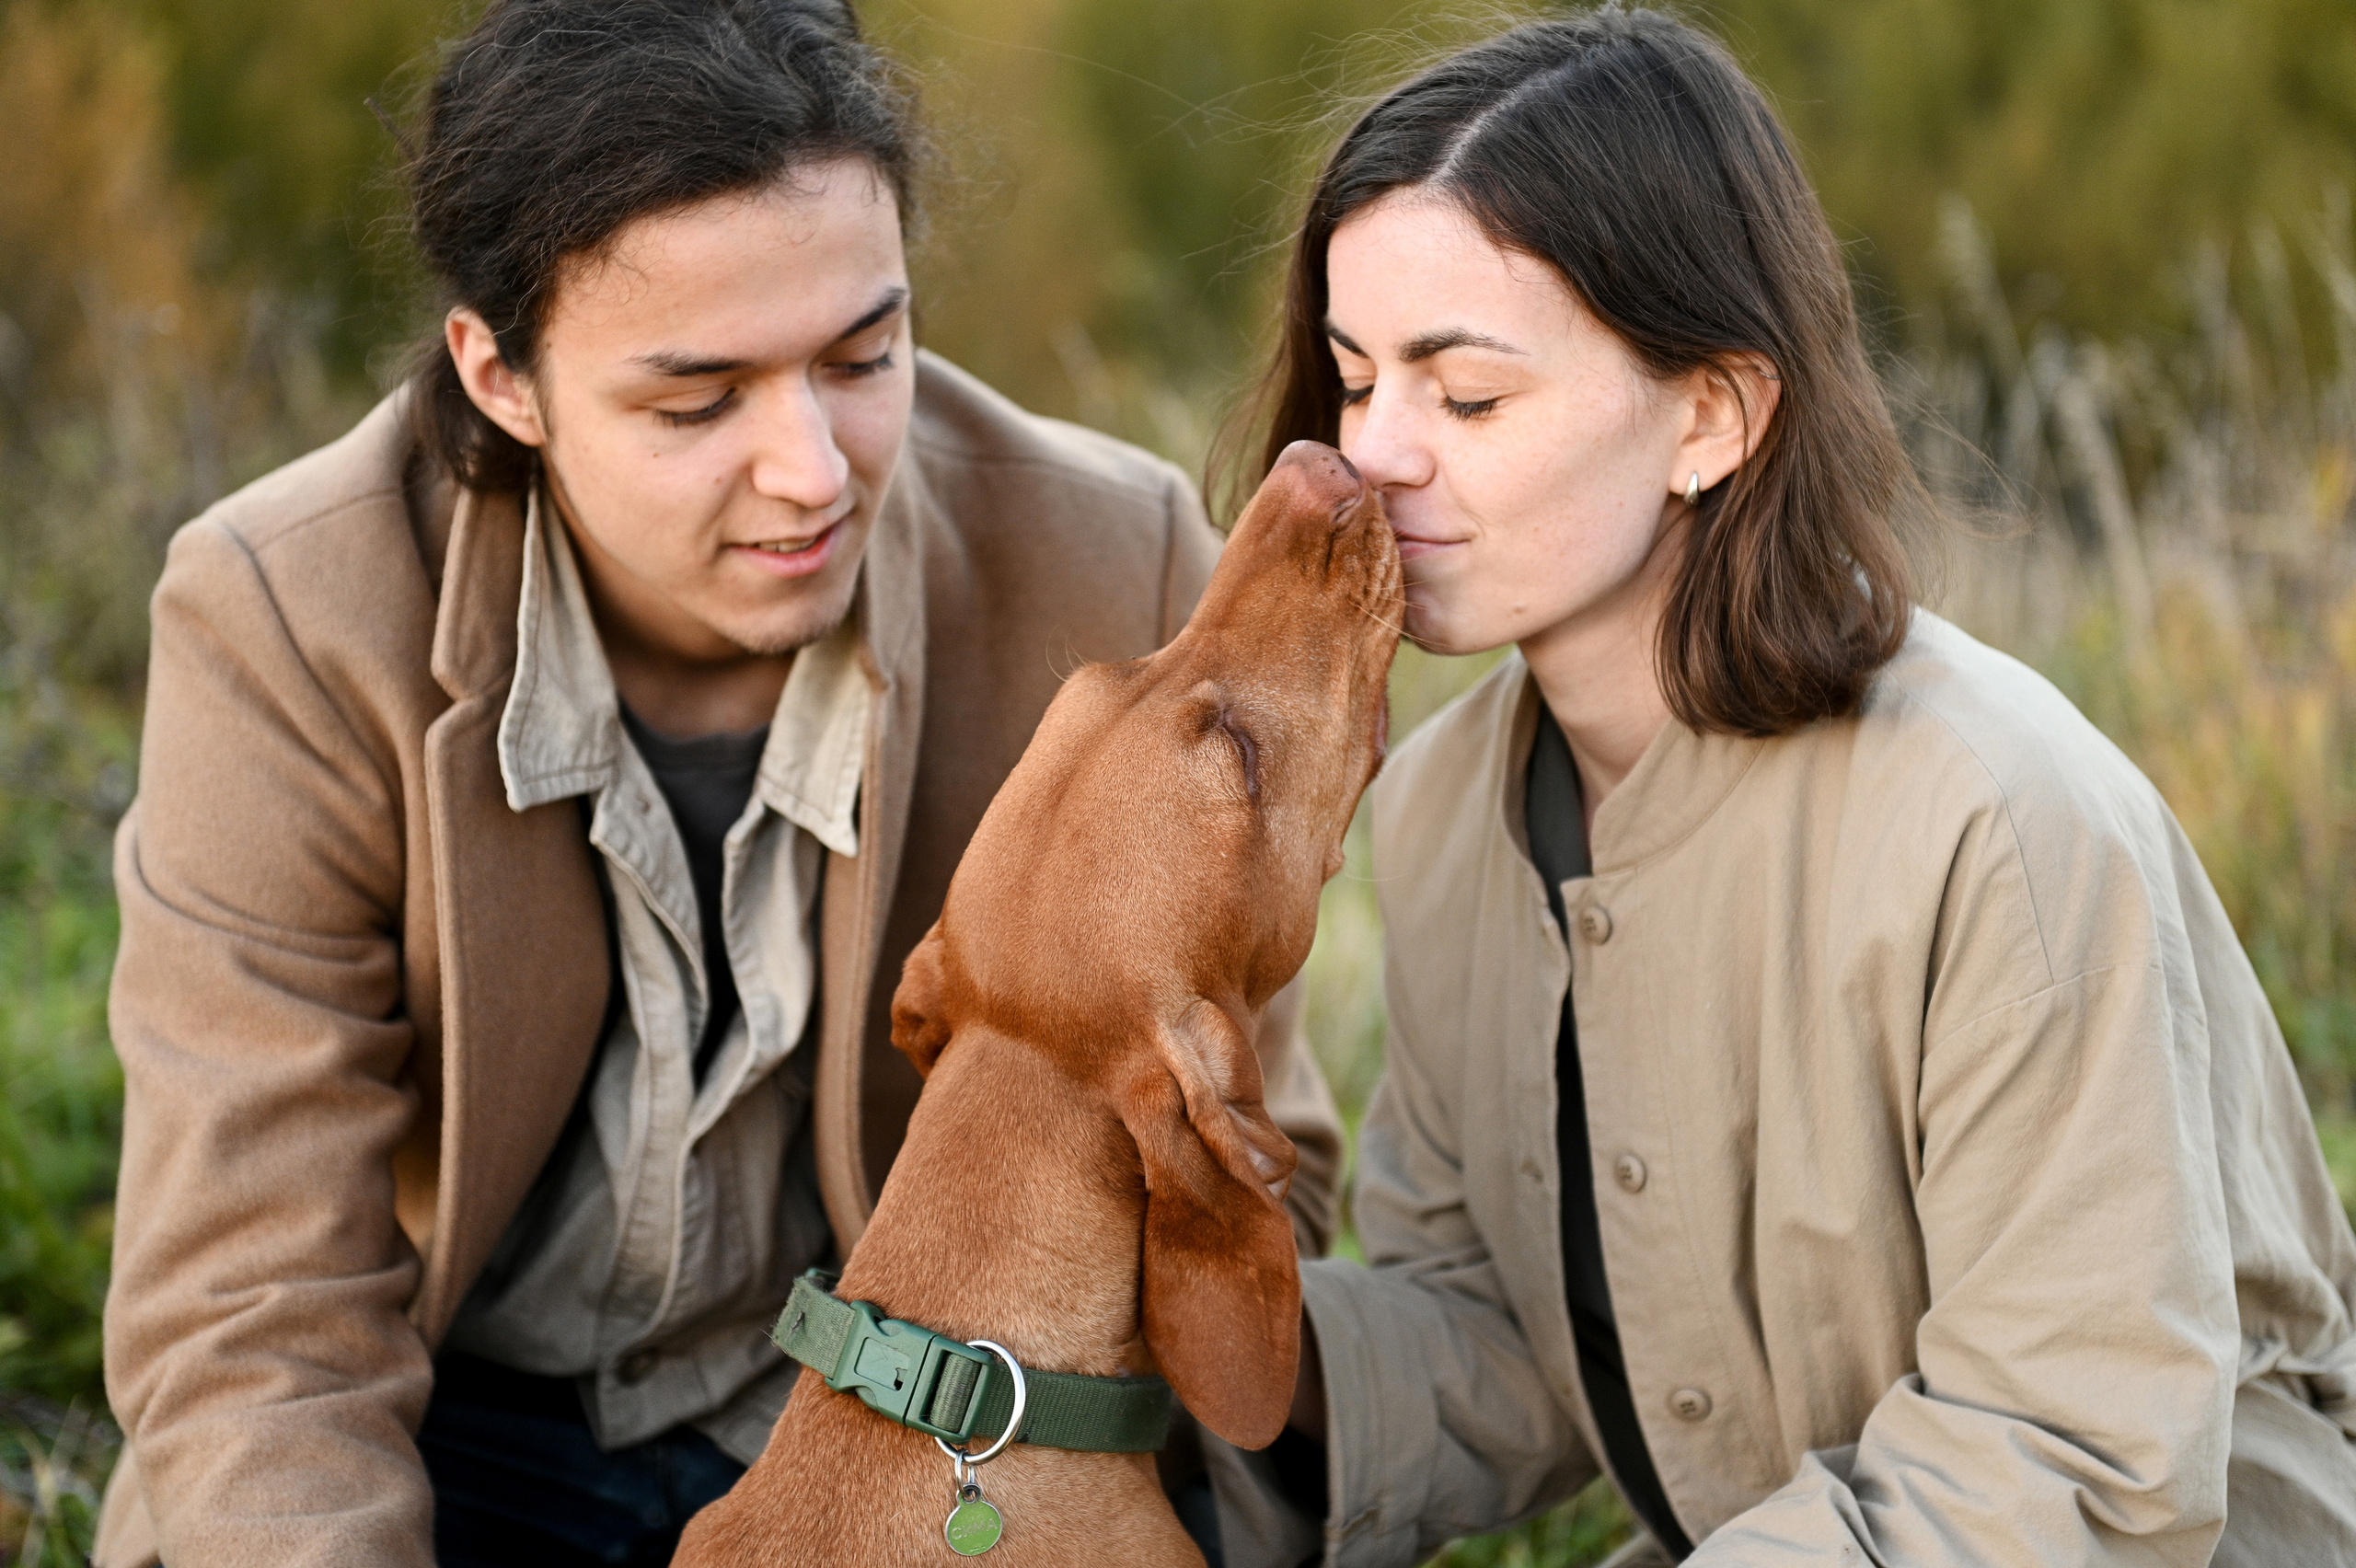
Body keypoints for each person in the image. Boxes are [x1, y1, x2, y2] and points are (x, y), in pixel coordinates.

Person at [94, 3, 1341, 1564]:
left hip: (934, 1455)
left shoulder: (1114, 558)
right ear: (502, 376)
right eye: (697, 403)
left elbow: (1252, 1167)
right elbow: (253, 1314)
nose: (814, 470)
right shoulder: (279, 619)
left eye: (864, 354)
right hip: (449, 1441)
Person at [1199, 8, 2356, 1566]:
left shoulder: (1995, 821)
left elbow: (2075, 1454)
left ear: (1712, 416)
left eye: (1465, 398)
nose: (1370, 457)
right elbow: (1500, 1325)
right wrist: (1151, 1335)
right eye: (1353, 381)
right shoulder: (1438, 814)